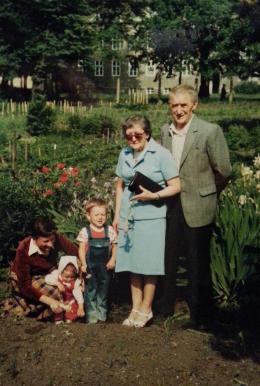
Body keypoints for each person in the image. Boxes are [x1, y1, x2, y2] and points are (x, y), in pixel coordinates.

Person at [160, 84, 232, 328]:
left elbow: (224, 170)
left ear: (194, 106)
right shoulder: (164, 132)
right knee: (168, 259)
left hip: (199, 206)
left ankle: (201, 316)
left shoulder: (210, 131)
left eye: (183, 105)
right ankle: (166, 309)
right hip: (171, 205)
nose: (178, 110)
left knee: (197, 262)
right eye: (174, 106)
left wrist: (208, 193)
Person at [113, 115, 181, 328]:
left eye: (138, 134)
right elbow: (119, 186)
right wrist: (116, 214)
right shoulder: (124, 154)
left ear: (147, 134)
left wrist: (154, 196)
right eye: (129, 135)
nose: (133, 139)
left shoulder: (161, 154)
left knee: (149, 264)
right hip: (128, 216)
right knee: (132, 263)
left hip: (152, 216)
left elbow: (176, 185)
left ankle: (146, 307)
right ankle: (135, 307)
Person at [7, 217, 79, 319]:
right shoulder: (23, 249)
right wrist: (52, 302)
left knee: (69, 288)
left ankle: (52, 311)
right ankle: (39, 313)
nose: (50, 244)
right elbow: (25, 286)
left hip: (48, 273)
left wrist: (83, 274)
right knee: (57, 296)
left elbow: (75, 251)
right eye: (45, 241)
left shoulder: (56, 237)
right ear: (34, 238)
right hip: (27, 278)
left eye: (52, 240)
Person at [77, 198, 117, 324]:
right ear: (88, 216)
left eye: (103, 214)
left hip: (105, 268)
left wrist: (112, 259)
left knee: (103, 292)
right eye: (96, 215)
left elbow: (115, 246)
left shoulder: (109, 230)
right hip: (90, 268)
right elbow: (82, 249)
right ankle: (92, 318)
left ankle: (102, 317)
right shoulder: (85, 231)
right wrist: (83, 264)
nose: (100, 217)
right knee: (90, 292)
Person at [45, 255, 85, 324]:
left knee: (73, 307)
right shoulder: (57, 274)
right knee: (57, 306)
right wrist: (57, 283)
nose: (69, 279)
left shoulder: (75, 282)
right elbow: (47, 279)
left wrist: (81, 307)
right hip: (60, 299)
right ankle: (58, 320)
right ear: (61, 271)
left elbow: (78, 293)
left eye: (72, 277)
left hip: (70, 300)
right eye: (66, 277)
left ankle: (69, 320)